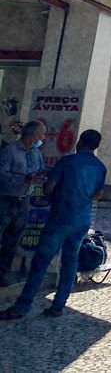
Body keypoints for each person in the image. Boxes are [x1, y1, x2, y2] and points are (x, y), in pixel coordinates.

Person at [0, 129, 106, 320]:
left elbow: (49, 187)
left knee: (40, 262)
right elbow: (98, 194)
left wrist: (53, 194)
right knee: (70, 261)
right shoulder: (100, 167)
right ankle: (58, 305)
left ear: (80, 142)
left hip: (60, 218)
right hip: (81, 220)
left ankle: (22, 306)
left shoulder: (67, 162)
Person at [0, 121, 46, 287]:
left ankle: (3, 274)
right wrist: (22, 179)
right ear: (33, 134)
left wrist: (41, 175)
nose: (43, 137)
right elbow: (1, 174)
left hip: (24, 200)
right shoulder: (10, 151)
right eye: (42, 133)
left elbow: (40, 168)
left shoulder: (36, 152)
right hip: (6, 198)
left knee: (13, 240)